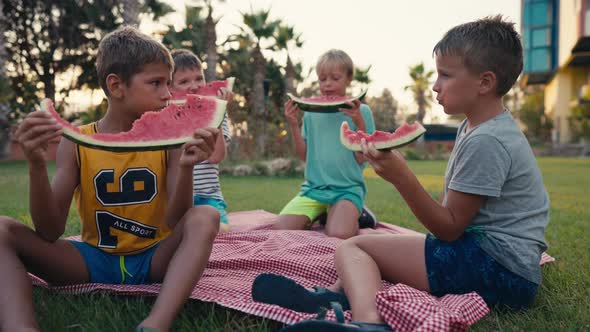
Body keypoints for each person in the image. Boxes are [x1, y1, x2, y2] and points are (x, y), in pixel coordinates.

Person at [254, 16, 550, 332]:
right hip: (494, 260)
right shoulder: (476, 127)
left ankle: (369, 323)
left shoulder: (487, 140)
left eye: (446, 75)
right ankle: (334, 299)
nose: (435, 85)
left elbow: (448, 229)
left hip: (498, 271)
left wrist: (400, 176)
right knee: (379, 243)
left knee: (353, 246)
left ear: (485, 82)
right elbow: (449, 212)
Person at [0, 26, 221, 332]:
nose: (168, 94)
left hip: (154, 258)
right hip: (92, 260)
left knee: (205, 215)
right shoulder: (77, 141)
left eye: (168, 84)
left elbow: (176, 221)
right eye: (156, 83)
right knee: (1, 229)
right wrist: (36, 166)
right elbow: (49, 230)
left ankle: (156, 323)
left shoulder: (171, 141)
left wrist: (185, 168)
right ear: (116, 86)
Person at [272, 49, 376, 239]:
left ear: (348, 79)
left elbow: (362, 158)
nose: (327, 84)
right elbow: (304, 156)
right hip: (314, 189)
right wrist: (294, 124)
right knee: (281, 229)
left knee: (338, 234)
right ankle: (324, 213)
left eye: (335, 78)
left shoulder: (363, 112)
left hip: (347, 189)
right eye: (322, 79)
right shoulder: (311, 113)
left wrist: (359, 122)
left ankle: (359, 214)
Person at [170, 49, 233, 233]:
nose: (195, 85)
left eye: (199, 78)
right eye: (184, 81)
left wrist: (217, 114)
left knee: (219, 230)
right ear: (170, 88)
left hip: (208, 198)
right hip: (175, 198)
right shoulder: (165, 116)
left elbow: (217, 157)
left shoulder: (220, 112)